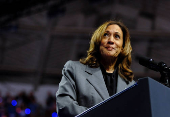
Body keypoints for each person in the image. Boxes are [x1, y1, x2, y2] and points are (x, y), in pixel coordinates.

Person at [56, 20, 135, 117]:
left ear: (122, 47)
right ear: (98, 42)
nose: (111, 40)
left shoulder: (130, 84)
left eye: (117, 36)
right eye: (106, 35)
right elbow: (64, 106)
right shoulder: (74, 69)